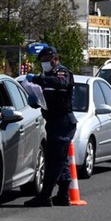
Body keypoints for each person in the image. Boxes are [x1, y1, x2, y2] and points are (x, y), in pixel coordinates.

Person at [24, 45, 77, 207]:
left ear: (56, 59)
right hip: (53, 121)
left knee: (54, 160)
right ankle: (63, 195)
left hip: (63, 121)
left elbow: (61, 83)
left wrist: (38, 79)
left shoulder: (62, 72)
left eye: (47, 60)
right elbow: (47, 98)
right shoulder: (47, 76)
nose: (45, 63)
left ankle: (45, 195)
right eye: (42, 61)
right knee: (60, 160)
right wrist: (36, 101)